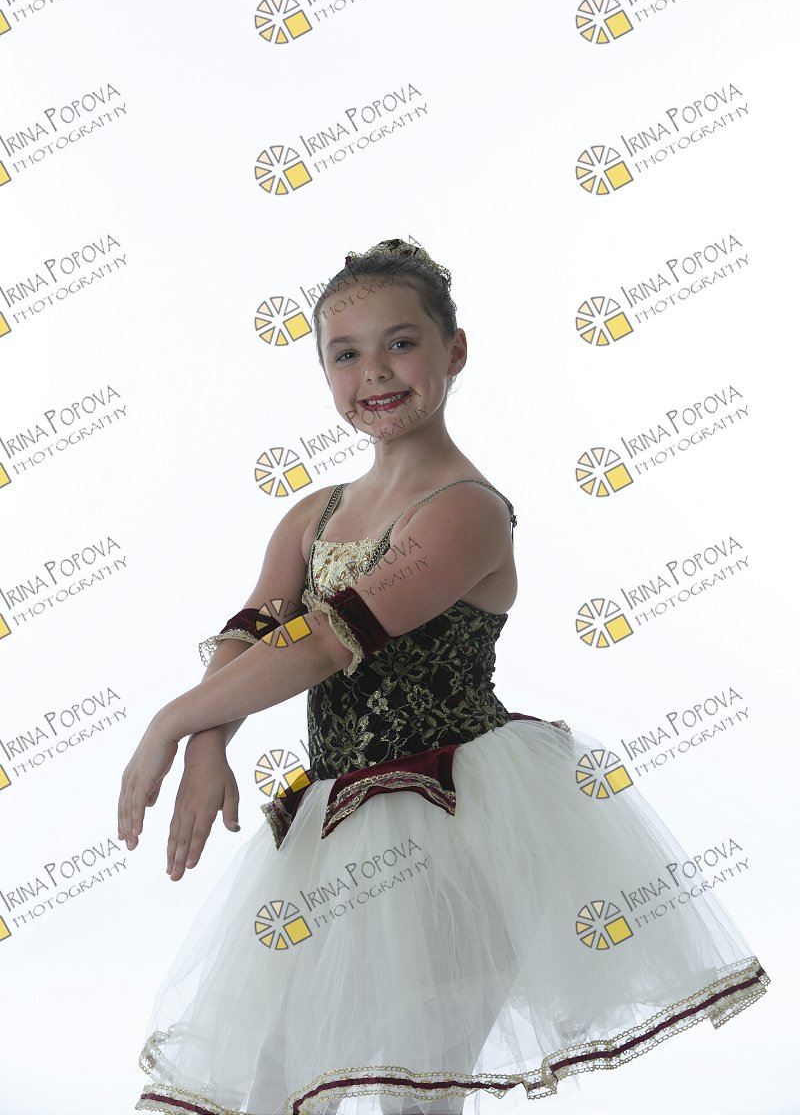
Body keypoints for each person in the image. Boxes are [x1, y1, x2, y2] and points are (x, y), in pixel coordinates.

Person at [121, 239, 769, 1115]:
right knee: (279, 1074)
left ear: (454, 350)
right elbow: (256, 633)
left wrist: (169, 722)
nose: (375, 372)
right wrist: (208, 743)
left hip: (459, 825)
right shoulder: (313, 514)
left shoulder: (466, 510)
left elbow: (325, 643)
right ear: (323, 371)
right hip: (338, 819)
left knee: (413, 1085)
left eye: (402, 343)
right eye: (346, 353)